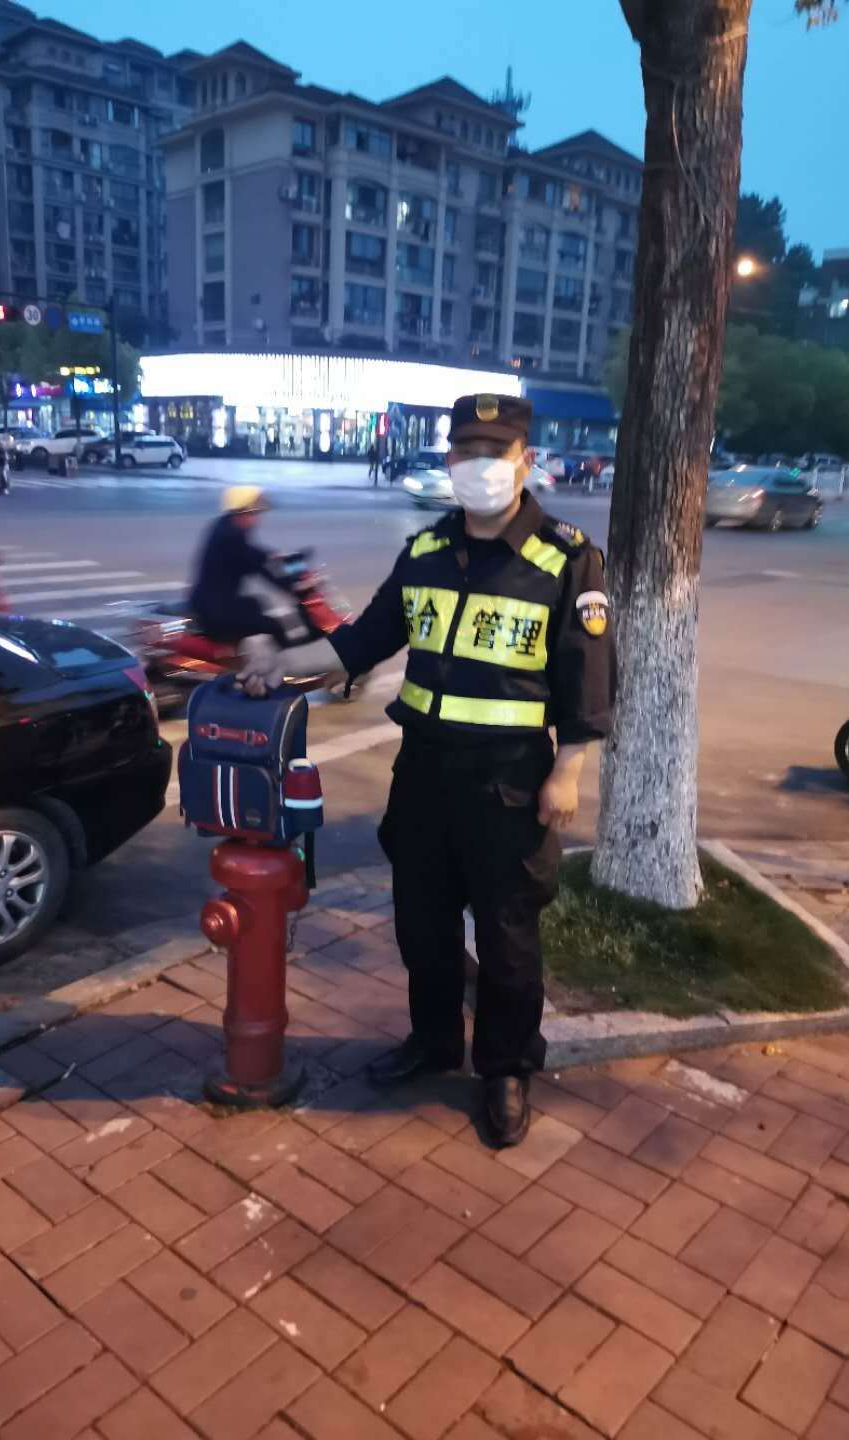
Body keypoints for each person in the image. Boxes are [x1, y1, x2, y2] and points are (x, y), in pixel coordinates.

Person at [240, 394, 616, 1147]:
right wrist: (280, 661)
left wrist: (569, 771)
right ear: (449, 460)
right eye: (467, 451)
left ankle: (505, 1068)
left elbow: (590, 675)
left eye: (496, 452)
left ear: (525, 461)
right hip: (423, 775)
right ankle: (434, 1041)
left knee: (508, 937)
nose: (480, 465)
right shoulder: (425, 552)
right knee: (423, 924)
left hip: (510, 781)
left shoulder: (567, 557)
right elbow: (363, 641)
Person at [188, 486, 292, 645]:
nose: (257, 519)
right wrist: (292, 586)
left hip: (210, 602)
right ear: (240, 512)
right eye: (253, 514)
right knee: (275, 627)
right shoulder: (230, 537)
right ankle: (276, 663)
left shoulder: (225, 525)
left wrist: (274, 555)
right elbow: (258, 566)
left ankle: (242, 654)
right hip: (215, 611)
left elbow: (251, 553)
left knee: (256, 604)